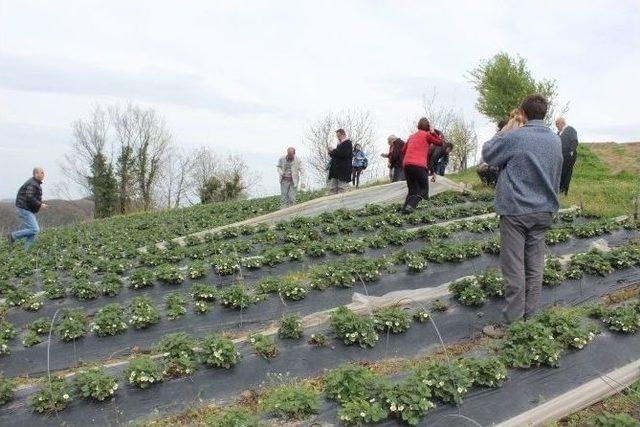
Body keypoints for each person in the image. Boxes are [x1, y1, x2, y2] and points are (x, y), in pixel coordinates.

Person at [481, 95, 563, 337]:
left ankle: (512, 324)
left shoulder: (517, 136)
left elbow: (488, 154)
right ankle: (530, 318)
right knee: (535, 266)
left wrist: (507, 127)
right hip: (544, 209)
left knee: (514, 266)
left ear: (523, 115)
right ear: (544, 114)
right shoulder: (555, 141)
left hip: (517, 210)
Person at [401, 118, 443, 214]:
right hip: (419, 165)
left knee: (412, 190)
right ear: (428, 127)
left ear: (418, 126)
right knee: (424, 190)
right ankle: (410, 206)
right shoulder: (427, 135)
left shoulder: (411, 136)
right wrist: (433, 132)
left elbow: (403, 150)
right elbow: (440, 143)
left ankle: (404, 212)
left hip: (407, 165)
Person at [8, 167, 48, 250]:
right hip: (24, 209)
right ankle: (13, 236)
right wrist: (40, 205)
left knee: (32, 233)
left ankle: (25, 252)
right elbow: (29, 197)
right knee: (35, 229)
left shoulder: (34, 183)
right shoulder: (33, 184)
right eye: (42, 172)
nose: (43, 174)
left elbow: (30, 197)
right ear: (36, 174)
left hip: (26, 209)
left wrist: (39, 205)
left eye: (43, 173)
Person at [477, 120, 507, 186]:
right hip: (492, 163)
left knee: (492, 168)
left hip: (501, 164)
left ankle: (496, 184)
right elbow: (489, 151)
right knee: (482, 168)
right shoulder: (497, 138)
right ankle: (487, 183)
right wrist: (483, 163)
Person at [555, 117, 579, 195]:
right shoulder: (558, 133)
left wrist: (571, 151)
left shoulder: (570, 129)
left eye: (557, 124)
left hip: (569, 155)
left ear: (563, 123)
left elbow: (574, 141)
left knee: (566, 172)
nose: (556, 126)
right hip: (560, 155)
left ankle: (564, 189)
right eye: (556, 124)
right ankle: (559, 188)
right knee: (560, 171)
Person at [327, 129, 353, 194]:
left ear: (343, 134)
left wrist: (334, 150)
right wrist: (331, 152)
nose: (338, 138)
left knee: (342, 189)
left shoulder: (348, 143)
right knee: (332, 189)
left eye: (339, 136)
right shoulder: (339, 144)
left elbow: (344, 154)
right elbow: (336, 156)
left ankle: (342, 204)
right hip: (335, 170)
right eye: (337, 136)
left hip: (343, 170)